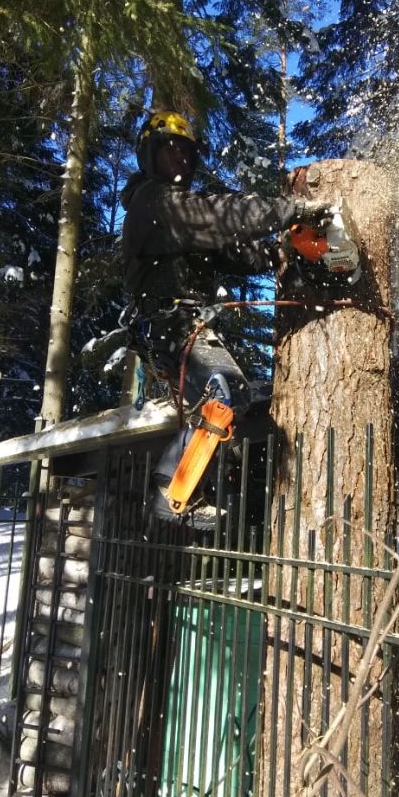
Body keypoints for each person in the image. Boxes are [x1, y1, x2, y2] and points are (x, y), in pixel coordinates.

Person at [120, 110, 331, 520]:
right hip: (168, 324)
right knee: (224, 392)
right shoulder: (156, 202)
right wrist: (292, 210)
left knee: (234, 401)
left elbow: (232, 252)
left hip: (180, 324)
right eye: (171, 150)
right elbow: (222, 215)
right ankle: (170, 491)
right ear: (149, 156)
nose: (181, 158)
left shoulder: (177, 220)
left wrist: (280, 252)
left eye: (186, 152)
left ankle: (208, 487)